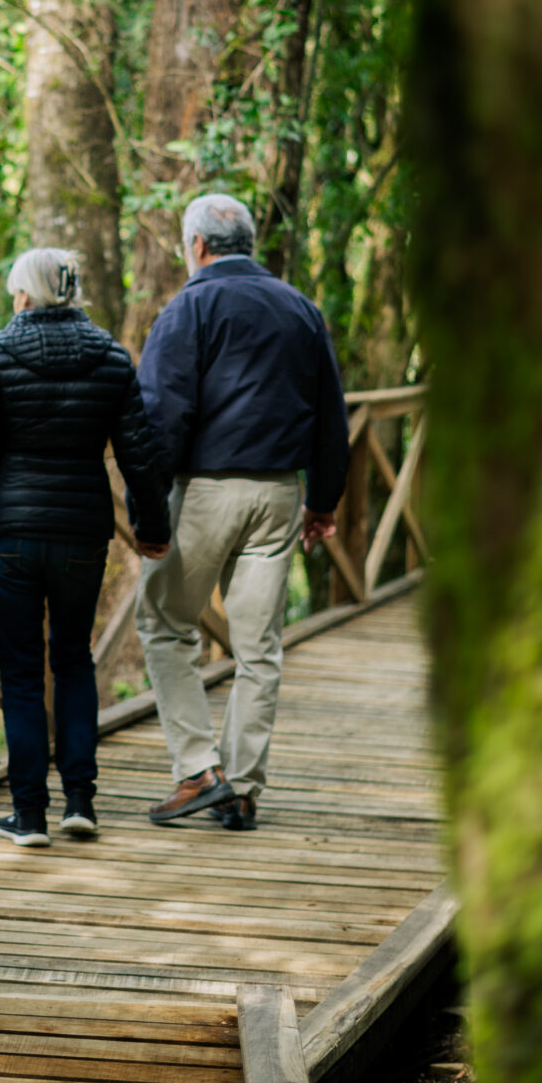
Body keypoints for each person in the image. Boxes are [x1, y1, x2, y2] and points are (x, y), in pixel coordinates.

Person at [134, 193, 349, 831]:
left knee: (165, 623)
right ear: (248, 244)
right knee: (259, 648)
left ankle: (200, 770)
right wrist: (323, 500)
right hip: (279, 493)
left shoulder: (190, 307)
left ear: (197, 246)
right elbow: (332, 416)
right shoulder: (300, 309)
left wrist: (148, 515)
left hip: (207, 491)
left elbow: (160, 418)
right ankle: (244, 787)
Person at [0, 248, 170, 848]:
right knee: (73, 661)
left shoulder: (0, 354)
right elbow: (138, 454)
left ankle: (29, 816)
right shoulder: (110, 358)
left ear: (26, 293)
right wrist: (154, 527)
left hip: (12, 539)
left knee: (21, 675)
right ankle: (80, 803)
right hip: (80, 534)